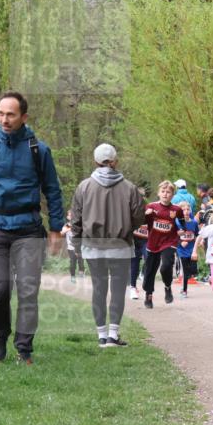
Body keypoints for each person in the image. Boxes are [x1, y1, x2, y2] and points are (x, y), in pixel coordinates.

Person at [0, 91, 64, 364]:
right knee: (0, 288)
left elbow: (52, 190)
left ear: (24, 117)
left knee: (28, 290)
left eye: (11, 115)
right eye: (1, 114)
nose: (4, 119)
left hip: (28, 229)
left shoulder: (38, 150)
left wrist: (55, 229)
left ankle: (24, 348)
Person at [69, 143, 145, 347]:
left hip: (93, 246)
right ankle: (113, 335)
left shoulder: (84, 187)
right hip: (121, 245)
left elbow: (76, 219)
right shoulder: (129, 188)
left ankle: (101, 336)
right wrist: (127, 227)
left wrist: (77, 244)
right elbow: (139, 216)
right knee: (118, 290)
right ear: (115, 161)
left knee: (99, 289)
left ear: (95, 161)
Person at [142, 180, 182, 309]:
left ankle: (167, 287)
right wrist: (145, 215)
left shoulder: (176, 209)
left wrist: (181, 229)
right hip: (153, 242)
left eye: (168, 192)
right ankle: (148, 295)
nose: (165, 194)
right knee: (150, 270)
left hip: (169, 241)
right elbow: (142, 222)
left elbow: (182, 223)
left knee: (166, 266)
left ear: (173, 195)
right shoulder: (151, 206)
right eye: (163, 191)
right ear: (158, 193)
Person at [175, 202, 200, 297]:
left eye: (187, 209)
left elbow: (197, 235)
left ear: (190, 211)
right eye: (183, 210)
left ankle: (185, 281)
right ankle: (184, 290)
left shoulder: (194, 222)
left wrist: (200, 241)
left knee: (192, 271)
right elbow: (172, 236)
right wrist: (180, 242)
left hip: (192, 250)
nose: (185, 212)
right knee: (185, 271)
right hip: (181, 251)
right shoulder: (177, 222)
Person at [128, 187, 148, 300]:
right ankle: (133, 287)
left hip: (146, 240)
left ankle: (144, 275)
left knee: (149, 258)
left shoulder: (149, 210)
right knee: (134, 263)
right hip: (134, 241)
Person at [61, 211, 84, 282]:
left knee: (81, 260)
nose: (72, 217)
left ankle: (81, 272)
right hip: (71, 247)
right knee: (73, 262)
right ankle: (73, 276)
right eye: (70, 215)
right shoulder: (67, 225)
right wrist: (69, 228)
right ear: (68, 217)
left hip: (79, 246)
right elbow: (62, 232)